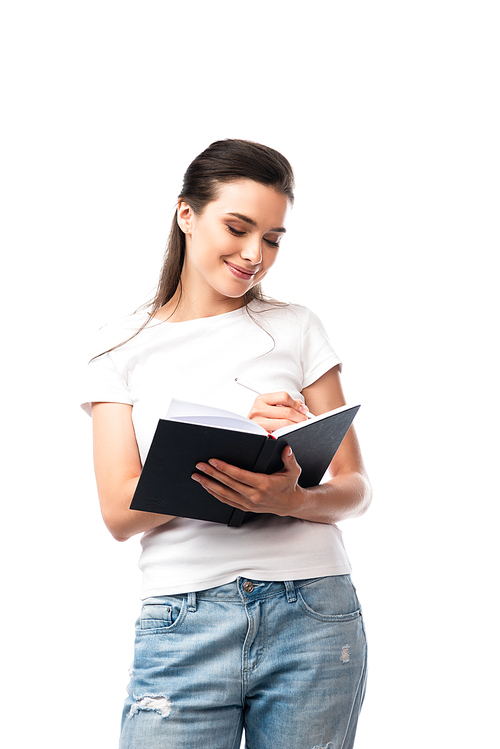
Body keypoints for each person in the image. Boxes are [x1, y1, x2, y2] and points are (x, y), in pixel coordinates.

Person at [82, 139, 372, 749]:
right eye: (237, 228)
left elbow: (355, 488)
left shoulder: (297, 326)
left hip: (314, 613)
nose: (253, 255)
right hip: (183, 619)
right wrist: (231, 444)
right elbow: (119, 511)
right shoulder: (119, 346)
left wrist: (290, 489)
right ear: (186, 213)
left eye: (271, 239)